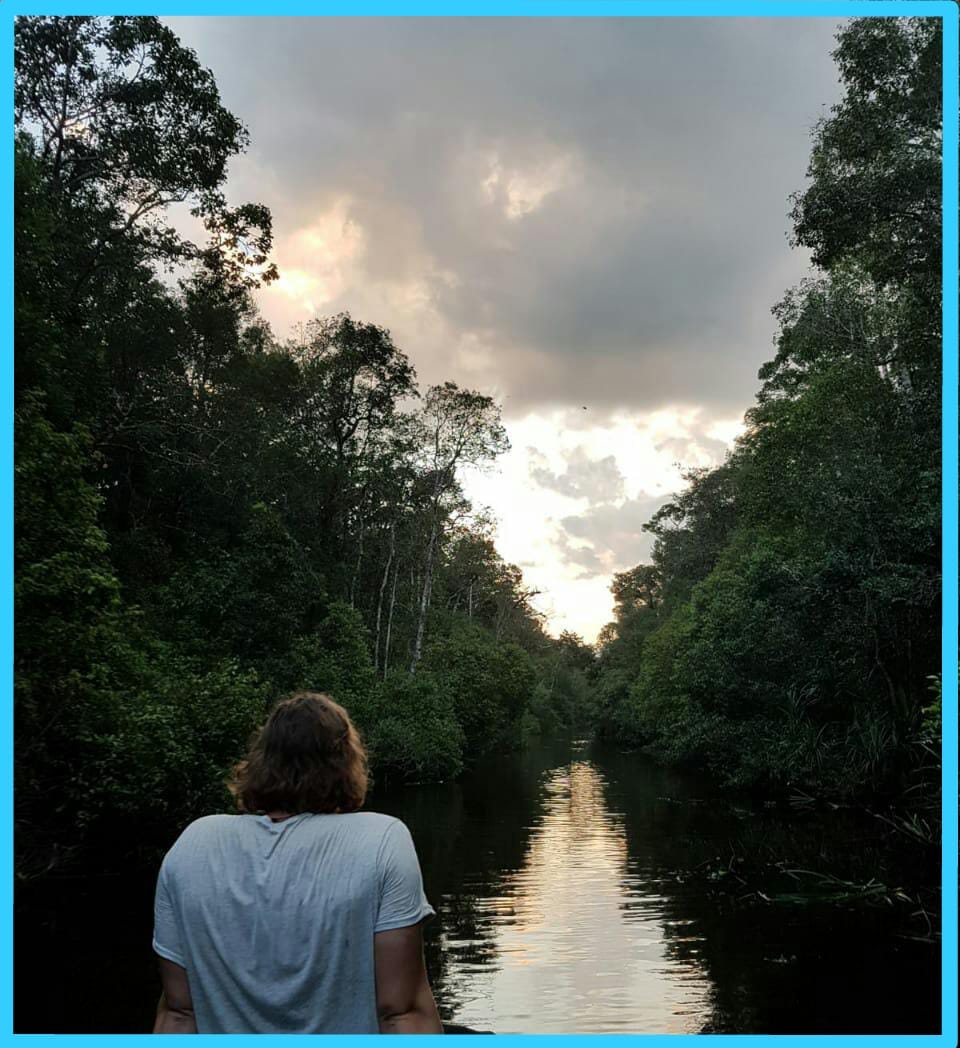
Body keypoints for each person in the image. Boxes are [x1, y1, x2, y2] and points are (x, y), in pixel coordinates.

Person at [151, 691, 443, 1034]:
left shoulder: (193, 844)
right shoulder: (382, 839)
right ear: (346, 762)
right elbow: (401, 1013)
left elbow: (178, 1013)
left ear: (261, 760)